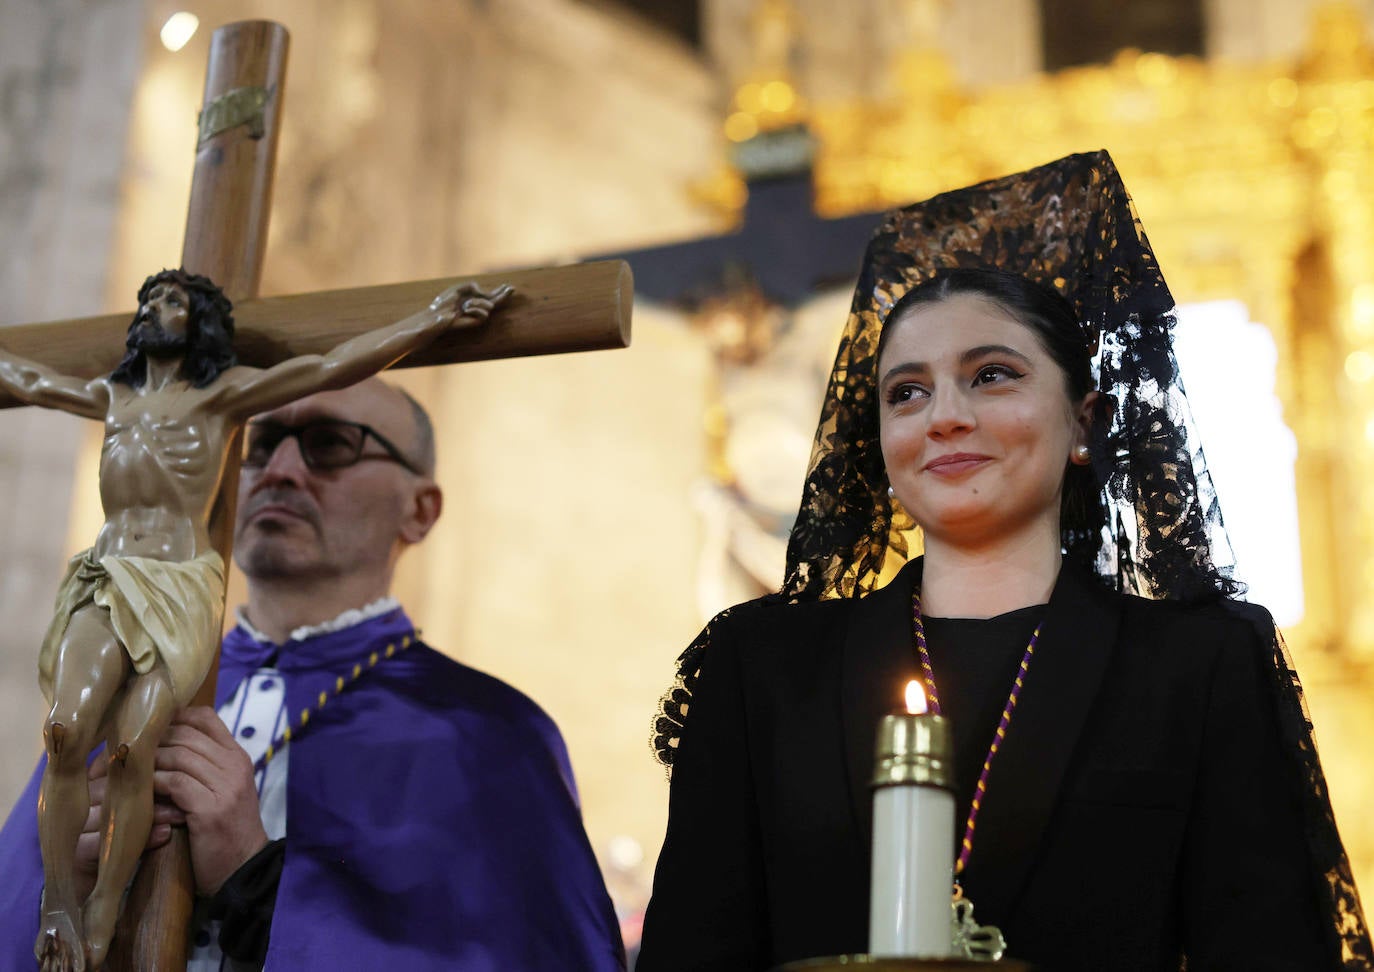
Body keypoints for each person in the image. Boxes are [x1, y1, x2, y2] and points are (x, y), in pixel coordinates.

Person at [637, 152, 1373, 971]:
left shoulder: (1202, 662)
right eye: (906, 392)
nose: (943, 416)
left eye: (991, 376)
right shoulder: (761, 666)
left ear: (1087, 422)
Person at [0, 375, 626, 970]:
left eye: (330, 445)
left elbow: (527, 955)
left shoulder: (487, 732)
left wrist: (257, 881)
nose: (282, 471)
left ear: (420, 509)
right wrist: (70, 889)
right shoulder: (129, 686)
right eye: (262, 445)